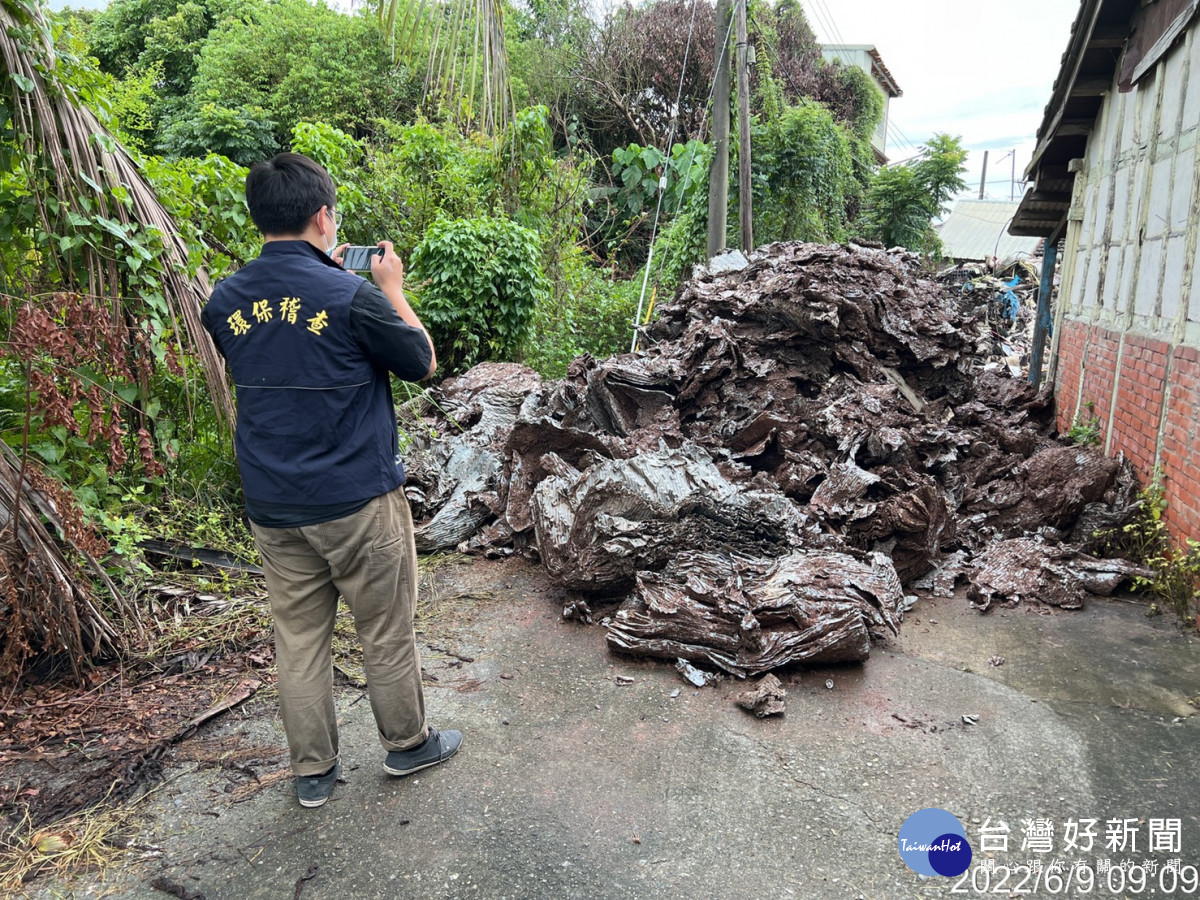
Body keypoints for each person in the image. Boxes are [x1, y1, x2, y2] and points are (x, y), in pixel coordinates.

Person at [201, 152, 461, 809]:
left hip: (272, 504)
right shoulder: (353, 295)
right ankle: (407, 746)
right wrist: (393, 288)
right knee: (384, 628)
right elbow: (422, 361)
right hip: (357, 502)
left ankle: (312, 773)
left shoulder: (223, 302)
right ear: (323, 216)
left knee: (298, 639)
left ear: (259, 216)